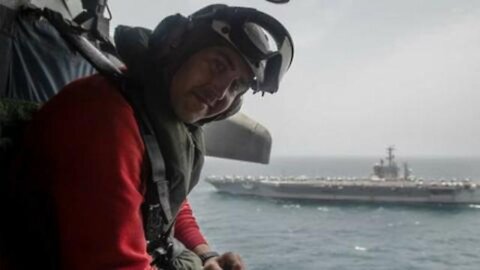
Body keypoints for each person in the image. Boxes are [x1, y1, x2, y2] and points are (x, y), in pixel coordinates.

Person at [6, 4, 293, 270]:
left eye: (237, 86)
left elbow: (163, 201)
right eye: (218, 65)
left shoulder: (157, 114)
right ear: (175, 45)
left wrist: (206, 254)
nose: (221, 91)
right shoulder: (106, 119)